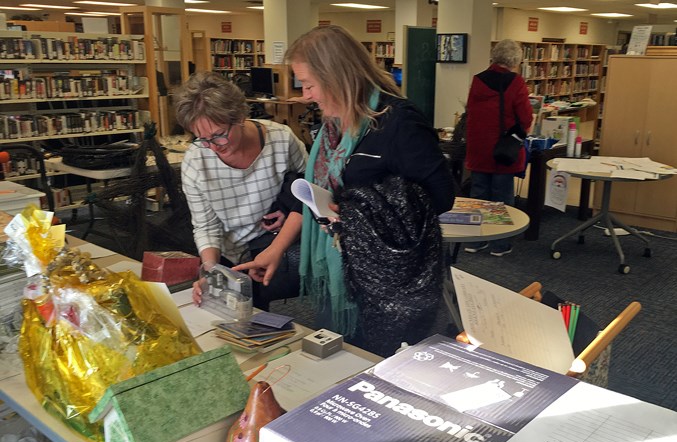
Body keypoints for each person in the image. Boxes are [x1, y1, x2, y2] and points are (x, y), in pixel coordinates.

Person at [235, 25, 455, 357]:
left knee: (375, 365)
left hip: (387, 281)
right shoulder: (336, 123)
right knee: (339, 356)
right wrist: (281, 243)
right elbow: (322, 191)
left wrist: (361, 212)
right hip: (338, 267)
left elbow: (440, 196)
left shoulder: (398, 123)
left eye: (309, 85)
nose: (305, 95)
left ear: (338, 76)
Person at [173, 71, 308, 311]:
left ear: (240, 116)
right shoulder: (196, 160)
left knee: (262, 318)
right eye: (202, 138)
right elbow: (206, 226)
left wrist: (287, 209)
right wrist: (210, 270)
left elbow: (309, 187)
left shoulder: (281, 139)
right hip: (228, 255)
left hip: (273, 245)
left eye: (219, 135)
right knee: (229, 319)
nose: (213, 147)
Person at [464, 38, 533, 257]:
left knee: (478, 195)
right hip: (502, 149)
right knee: (501, 197)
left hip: (478, 147)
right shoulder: (516, 82)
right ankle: (499, 244)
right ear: (515, 60)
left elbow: (472, 112)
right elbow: (525, 116)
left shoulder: (477, 80)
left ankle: (475, 240)